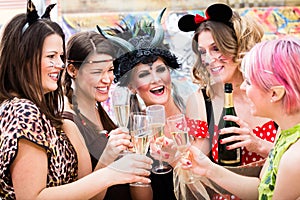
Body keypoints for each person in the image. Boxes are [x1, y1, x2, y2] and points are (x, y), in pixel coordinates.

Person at [0, 1, 152, 199]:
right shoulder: (23, 109)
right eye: (51, 56)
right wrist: (111, 173)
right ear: (23, 57)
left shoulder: (44, 113)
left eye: (61, 56)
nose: (59, 64)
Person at [181, 36, 300, 199]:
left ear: (275, 93)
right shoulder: (285, 131)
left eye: (249, 82)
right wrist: (209, 168)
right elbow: (261, 191)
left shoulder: (294, 159)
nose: (243, 87)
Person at [97, 8, 193, 200]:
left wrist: (174, 158)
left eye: (160, 70)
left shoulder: (193, 114)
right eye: (144, 74)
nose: (156, 79)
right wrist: (138, 171)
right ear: (132, 87)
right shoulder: (135, 137)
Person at [63, 30, 152, 200]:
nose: (107, 79)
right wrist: (108, 156)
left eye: (110, 69)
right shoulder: (69, 122)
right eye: (97, 72)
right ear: (72, 70)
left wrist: (139, 161)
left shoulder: (102, 111)